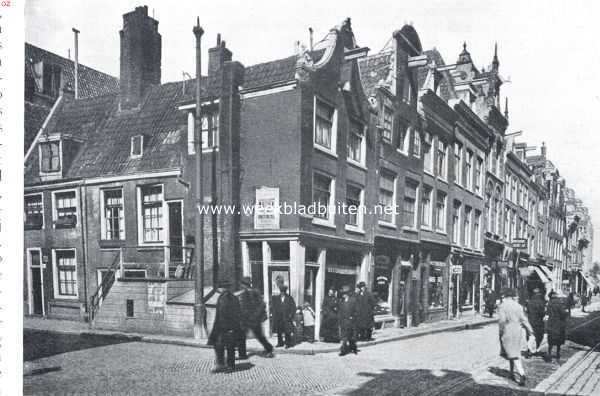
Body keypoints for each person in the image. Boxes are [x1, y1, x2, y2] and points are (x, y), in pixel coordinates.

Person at [497, 288, 533, 386]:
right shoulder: (518, 306)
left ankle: (522, 374)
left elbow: (502, 321)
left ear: (504, 295)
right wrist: (530, 330)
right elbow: (524, 319)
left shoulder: (502, 306)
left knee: (512, 353)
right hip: (517, 331)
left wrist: (500, 332)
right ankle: (511, 373)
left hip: (507, 331)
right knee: (513, 352)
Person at [208, 279, 242, 373]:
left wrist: (232, 328)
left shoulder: (232, 298)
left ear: (224, 288)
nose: (220, 289)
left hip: (229, 327)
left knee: (230, 347)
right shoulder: (221, 297)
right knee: (218, 345)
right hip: (220, 327)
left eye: (221, 288)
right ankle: (220, 364)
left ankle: (231, 366)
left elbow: (237, 314)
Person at [237, 276, 273, 359]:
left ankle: (269, 349)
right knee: (241, 336)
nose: (241, 286)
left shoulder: (255, 292)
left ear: (245, 285)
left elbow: (262, 305)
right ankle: (242, 355)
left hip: (254, 320)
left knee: (260, 337)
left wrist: (255, 315)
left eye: (242, 284)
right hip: (246, 319)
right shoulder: (244, 293)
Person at [546, 291, 568, 362]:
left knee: (550, 339)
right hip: (558, 323)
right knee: (559, 340)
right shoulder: (559, 303)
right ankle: (557, 354)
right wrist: (566, 313)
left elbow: (547, 313)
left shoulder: (549, 303)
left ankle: (549, 354)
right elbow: (562, 313)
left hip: (551, 323)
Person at [338, 285, 358, 356]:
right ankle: (343, 350)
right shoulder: (341, 302)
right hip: (343, 322)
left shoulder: (353, 301)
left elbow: (356, 311)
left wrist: (353, 317)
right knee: (344, 337)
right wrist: (339, 321)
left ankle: (354, 348)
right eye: (343, 293)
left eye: (344, 293)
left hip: (351, 322)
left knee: (350, 337)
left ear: (347, 294)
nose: (343, 295)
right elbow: (340, 312)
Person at [526, 288, 546, 354]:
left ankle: (529, 349)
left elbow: (527, 311)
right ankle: (536, 348)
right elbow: (542, 313)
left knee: (531, 335)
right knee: (539, 335)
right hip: (538, 322)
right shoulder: (541, 302)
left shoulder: (530, 302)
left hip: (531, 321)